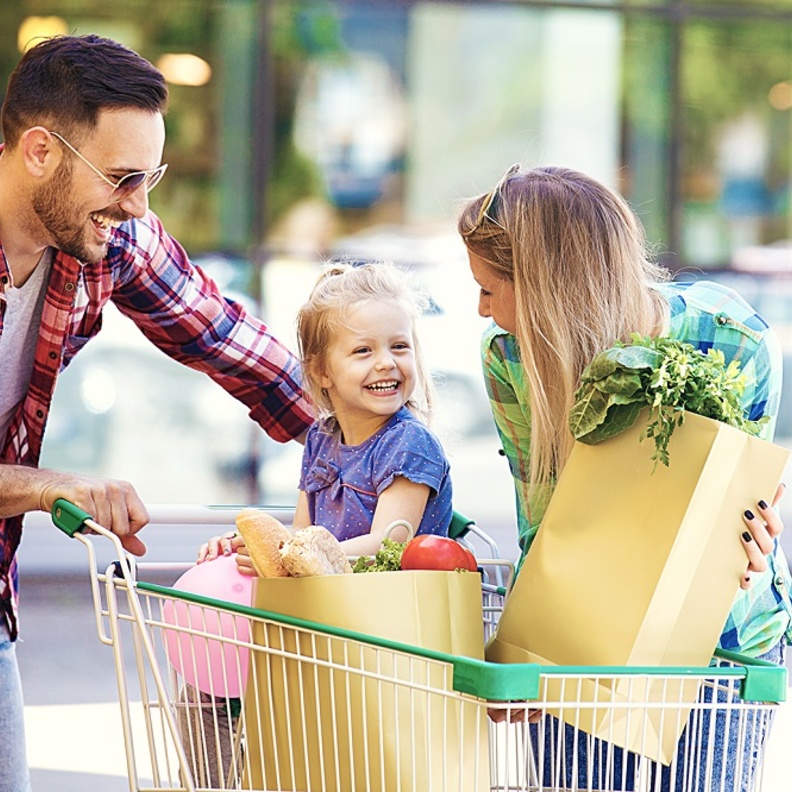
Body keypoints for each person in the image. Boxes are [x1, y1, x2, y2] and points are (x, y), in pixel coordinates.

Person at [0, 34, 313, 791]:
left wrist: (382, 440)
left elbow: (231, 340)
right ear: (40, 150)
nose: (139, 204)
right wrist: (49, 487)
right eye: (123, 177)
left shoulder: (105, 240)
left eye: (152, 176)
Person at [457, 163, 791, 791]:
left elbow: (738, 518)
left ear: (552, 287)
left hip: (716, 653)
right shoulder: (511, 359)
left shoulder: (732, 343)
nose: (480, 311)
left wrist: (749, 544)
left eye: (490, 288)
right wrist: (522, 659)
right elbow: (545, 526)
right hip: (581, 644)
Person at [201, 260, 453, 568]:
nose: (387, 362)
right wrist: (249, 545)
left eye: (399, 346)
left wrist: (283, 554)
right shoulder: (321, 439)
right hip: (333, 608)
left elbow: (387, 546)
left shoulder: (409, 443)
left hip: (397, 608)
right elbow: (303, 534)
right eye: (364, 351)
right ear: (321, 371)